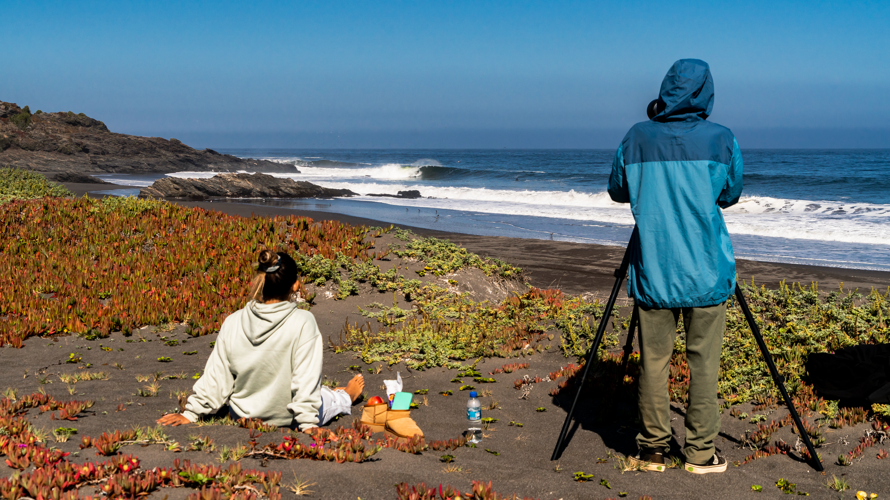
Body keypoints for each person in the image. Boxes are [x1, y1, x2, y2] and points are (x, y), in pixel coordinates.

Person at [607, 59, 743, 474]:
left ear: (665, 91)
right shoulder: (721, 139)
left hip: (655, 268)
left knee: (654, 361)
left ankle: (652, 451)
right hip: (706, 269)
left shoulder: (636, 137)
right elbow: (730, 194)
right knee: (705, 364)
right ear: (706, 93)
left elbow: (617, 190)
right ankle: (701, 454)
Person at [157, 249, 364, 431]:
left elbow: (217, 378)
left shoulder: (233, 321)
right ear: (295, 285)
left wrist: (191, 413)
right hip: (289, 419)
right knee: (326, 398)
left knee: (317, 391)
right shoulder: (303, 321)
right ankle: (347, 395)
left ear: (261, 282)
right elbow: (305, 379)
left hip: (244, 417)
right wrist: (308, 424)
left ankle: (332, 392)